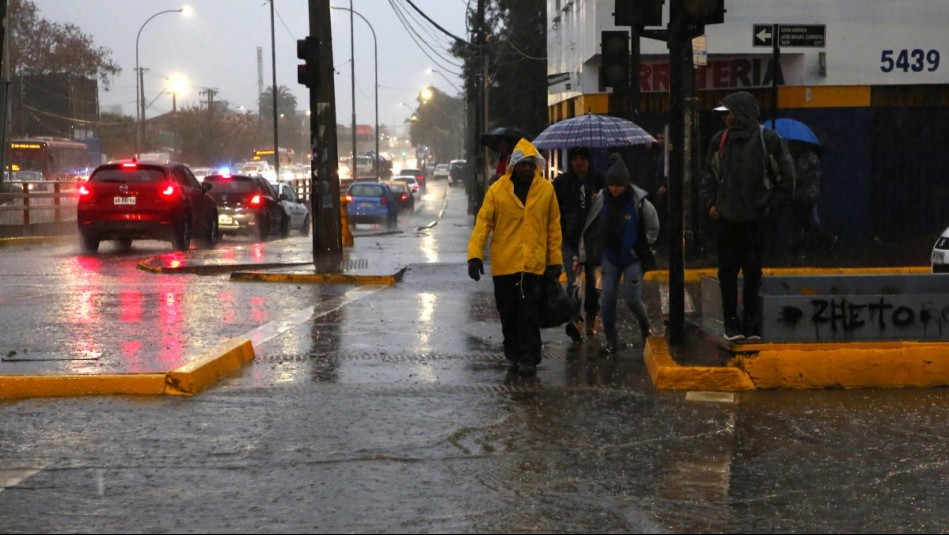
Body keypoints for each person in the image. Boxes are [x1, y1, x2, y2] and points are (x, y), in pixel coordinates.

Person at [700, 91, 795, 342]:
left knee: (752, 272)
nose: (725, 119)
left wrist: (770, 207)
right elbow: (708, 177)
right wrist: (710, 203)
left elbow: (787, 180)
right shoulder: (719, 142)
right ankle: (732, 322)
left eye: (728, 113)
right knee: (728, 273)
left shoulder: (769, 141)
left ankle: (750, 321)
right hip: (727, 220)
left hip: (755, 221)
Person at [467, 138, 563, 376]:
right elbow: (483, 224)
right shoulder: (497, 191)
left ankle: (530, 357)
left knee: (529, 312)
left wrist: (554, 260)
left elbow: (553, 227)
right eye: (523, 165)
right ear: (514, 166)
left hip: (533, 265)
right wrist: (475, 256)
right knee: (508, 313)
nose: (528, 169)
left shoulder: (546, 190)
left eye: (531, 165)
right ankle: (513, 354)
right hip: (505, 265)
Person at [577, 153, 660, 355]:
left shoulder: (640, 203)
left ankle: (644, 325)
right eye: (611, 185)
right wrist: (585, 254)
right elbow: (590, 227)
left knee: (632, 298)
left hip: (633, 258)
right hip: (610, 257)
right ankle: (611, 340)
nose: (614, 189)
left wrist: (639, 248)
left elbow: (653, 227)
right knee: (607, 299)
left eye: (618, 185)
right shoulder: (602, 200)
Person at [552, 146, 605, 342]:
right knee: (573, 283)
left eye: (583, 158)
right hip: (571, 241)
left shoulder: (600, 182)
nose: (579, 162)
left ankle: (592, 315)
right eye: (575, 159)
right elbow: (553, 211)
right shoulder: (562, 183)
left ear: (589, 161)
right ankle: (575, 319)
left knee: (594, 285)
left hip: (594, 243)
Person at [787, 140, 837, 257]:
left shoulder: (805, 159)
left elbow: (798, 176)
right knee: (805, 221)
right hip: (809, 195)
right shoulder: (811, 157)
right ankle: (823, 241)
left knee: (803, 221)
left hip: (805, 195)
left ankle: (826, 240)